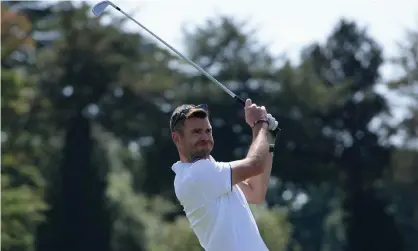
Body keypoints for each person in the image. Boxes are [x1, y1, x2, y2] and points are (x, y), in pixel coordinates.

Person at [170, 98, 274, 251]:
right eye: (197, 132)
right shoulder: (198, 174)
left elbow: (255, 193)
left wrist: (268, 138)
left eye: (208, 131)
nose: (205, 137)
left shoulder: (215, 173)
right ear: (177, 138)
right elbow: (255, 164)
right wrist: (260, 124)